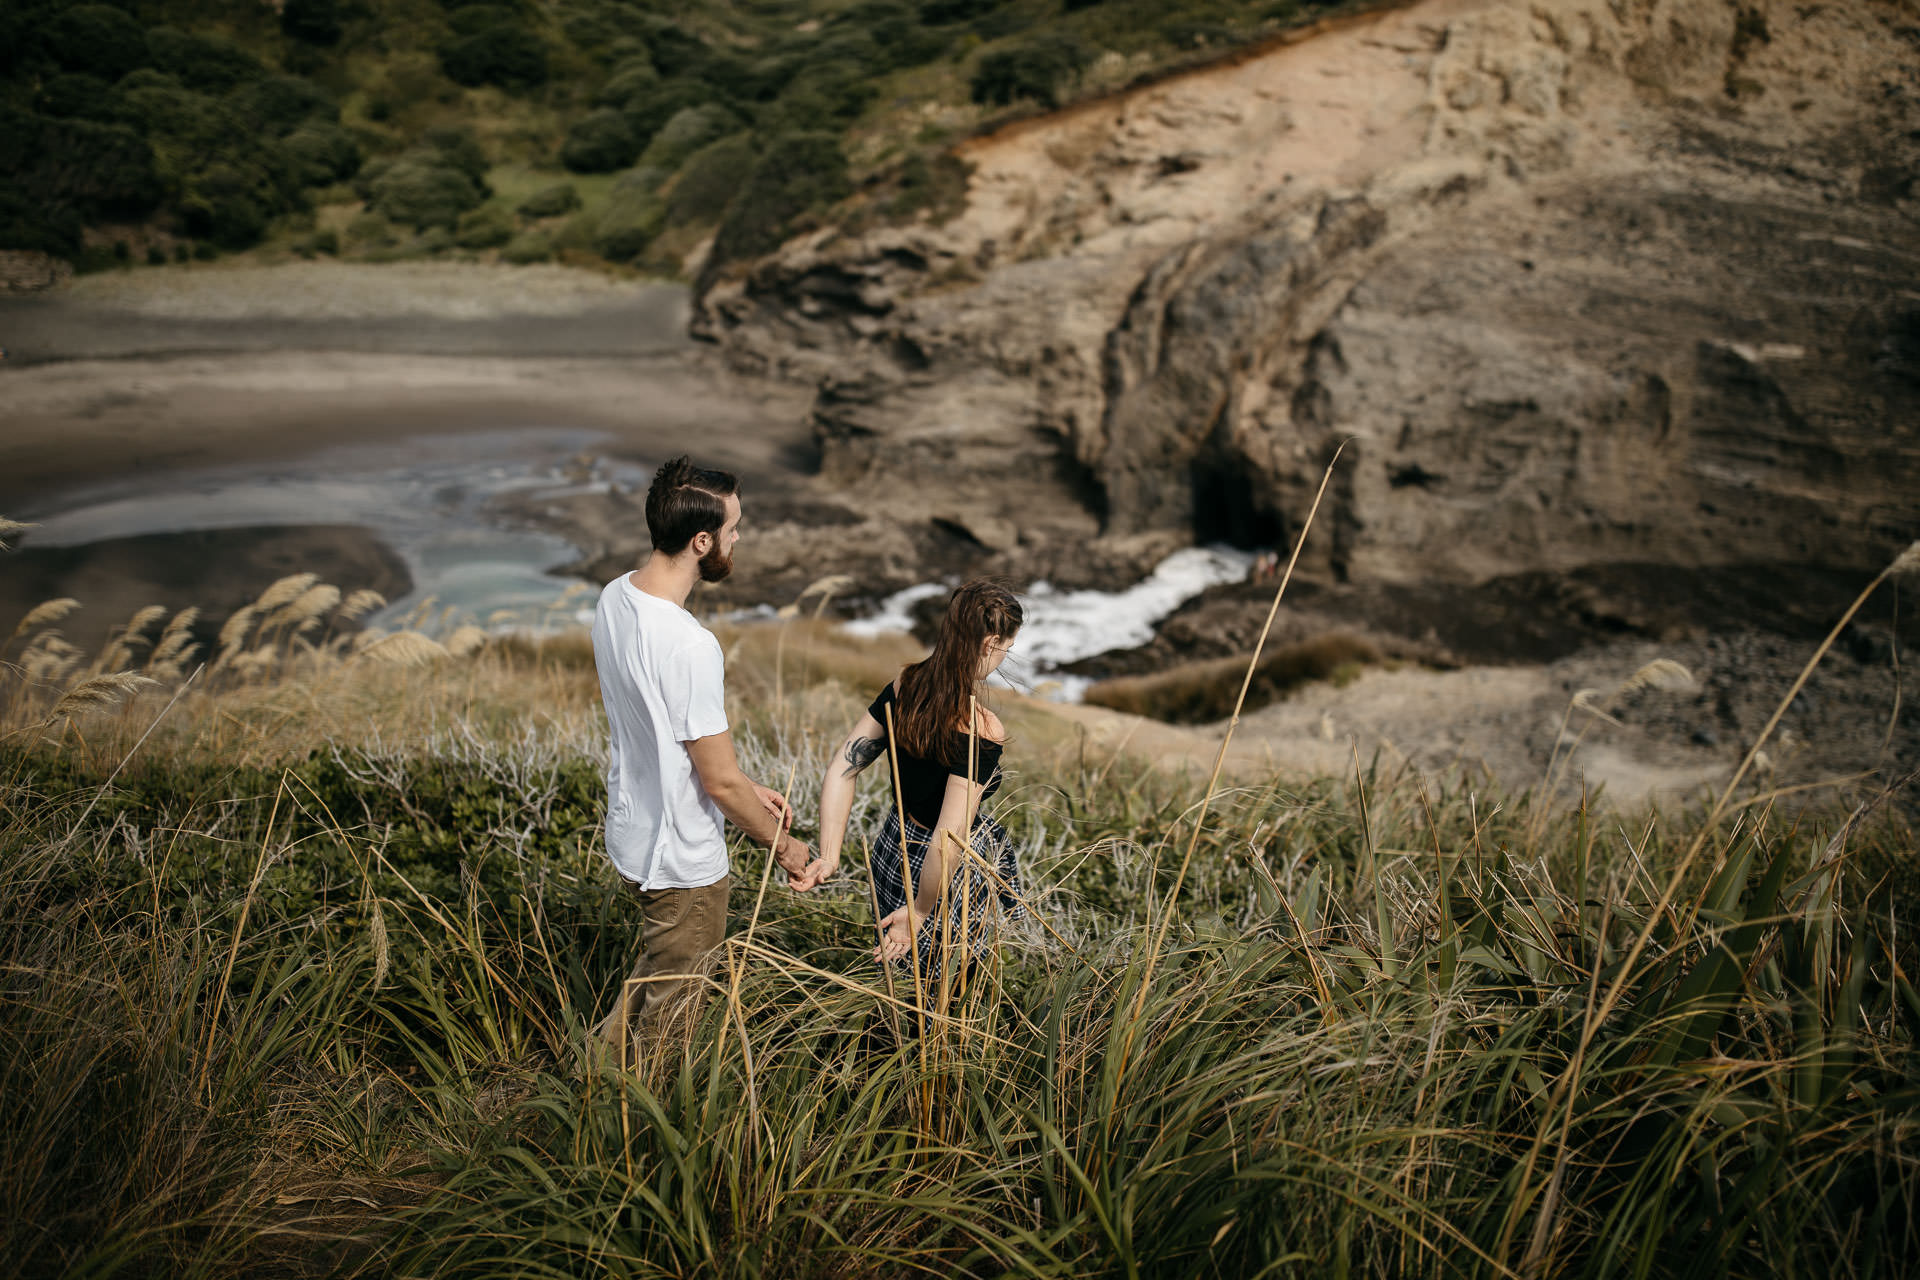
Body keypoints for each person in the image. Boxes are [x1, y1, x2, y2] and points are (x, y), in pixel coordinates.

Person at [590, 456, 814, 1050]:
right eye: (734, 528)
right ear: (701, 540)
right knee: (671, 1027)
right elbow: (717, 784)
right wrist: (788, 851)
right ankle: (631, 1131)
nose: (739, 538)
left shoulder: (616, 597)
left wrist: (744, 783)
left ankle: (589, 1091)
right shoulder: (689, 645)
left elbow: (667, 735)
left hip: (635, 833)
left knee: (650, 979)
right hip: (682, 859)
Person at [802, 579, 1028, 981]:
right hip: (941, 875)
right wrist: (921, 909)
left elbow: (844, 766)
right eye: (1006, 649)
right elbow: (949, 835)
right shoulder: (979, 728)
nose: (1003, 658)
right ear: (991, 641)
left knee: (898, 975)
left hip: (895, 847)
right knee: (950, 985)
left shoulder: (906, 685)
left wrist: (829, 853)